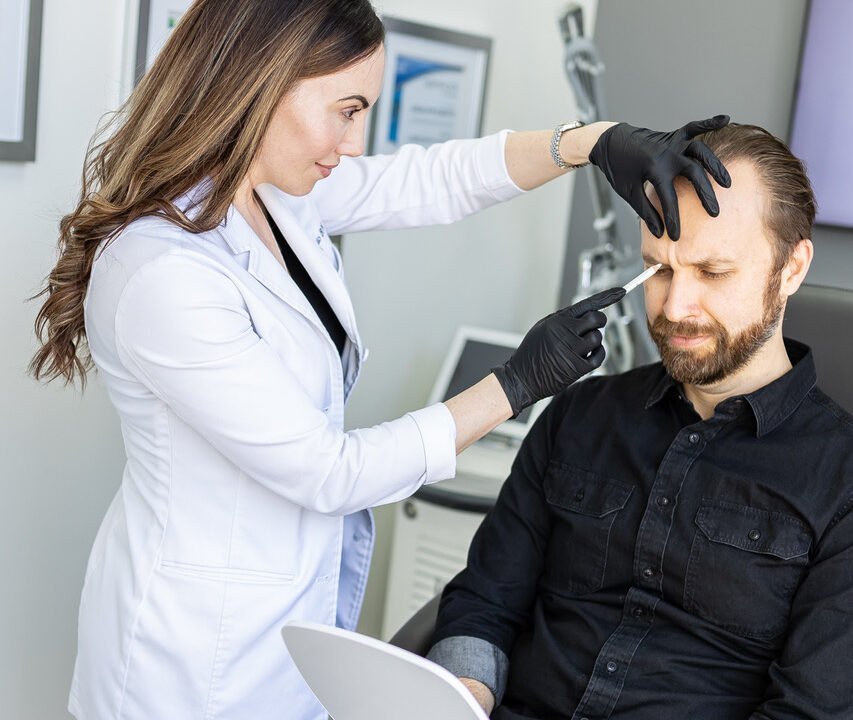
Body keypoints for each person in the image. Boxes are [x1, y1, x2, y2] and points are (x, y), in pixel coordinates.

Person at [29, 1, 731, 718]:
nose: (354, 141)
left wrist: (592, 141)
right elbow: (327, 472)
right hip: (189, 660)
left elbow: (434, 180)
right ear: (264, 82)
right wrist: (515, 384)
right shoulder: (162, 271)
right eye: (346, 109)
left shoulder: (270, 197)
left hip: (283, 629)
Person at [427, 122, 853, 720]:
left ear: (791, 269)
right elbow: (484, 603)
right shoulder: (579, 415)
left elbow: (808, 711)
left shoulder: (842, 482)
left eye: (712, 272)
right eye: (658, 270)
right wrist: (459, 702)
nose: (675, 307)